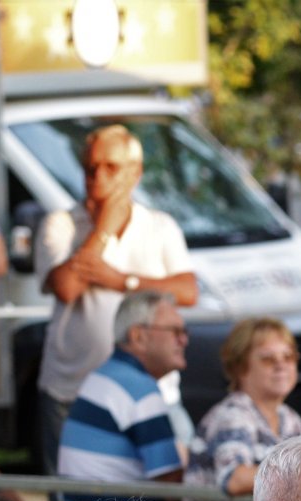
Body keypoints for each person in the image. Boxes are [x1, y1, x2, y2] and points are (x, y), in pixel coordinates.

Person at [35, 124, 197, 470]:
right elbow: (66, 287)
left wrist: (123, 281)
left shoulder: (160, 226)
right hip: (71, 390)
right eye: (91, 167)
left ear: (135, 173)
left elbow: (187, 290)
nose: (97, 177)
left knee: (169, 492)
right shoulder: (60, 224)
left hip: (153, 392)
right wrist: (105, 228)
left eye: (110, 167)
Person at [182, 317, 301, 501]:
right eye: (267, 359)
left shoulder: (291, 420)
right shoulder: (234, 415)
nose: (281, 365)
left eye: (288, 357)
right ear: (240, 368)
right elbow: (235, 479)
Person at [56, 291, 188, 501]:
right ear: (138, 336)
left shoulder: (106, 374)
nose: (183, 340)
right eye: (175, 331)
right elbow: (173, 488)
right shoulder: (139, 387)